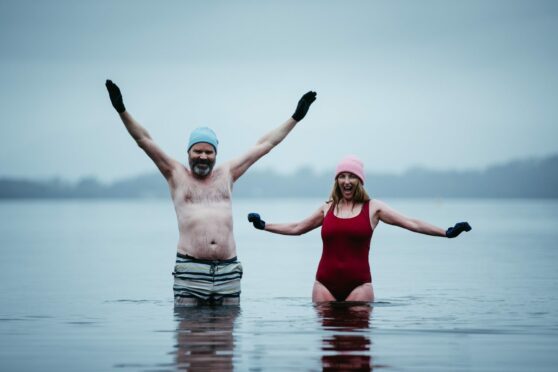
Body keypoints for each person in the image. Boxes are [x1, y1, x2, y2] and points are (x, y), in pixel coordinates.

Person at [105, 79, 317, 306]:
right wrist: (121, 110)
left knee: (227, 337)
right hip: (191, 269)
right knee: (190, 335)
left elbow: (265, 144)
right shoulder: (175, 174)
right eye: (198, 151)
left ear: (215, 154)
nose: (203, 156)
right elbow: (144, 140)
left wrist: (295, 117)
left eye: (209, 152)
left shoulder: (227, 174)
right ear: (189, 152)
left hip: (228, 269)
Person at [247, 155, 471, 303]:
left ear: (359, 181)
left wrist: (446, 232)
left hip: (359, 286)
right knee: (328, 356)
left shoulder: (374, 208)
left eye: (351, 176)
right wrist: (264, 225)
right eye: (342, 176)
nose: (346, 180)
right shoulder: (327, 209)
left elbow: (411, 223)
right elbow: (297, 227)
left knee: (359, 357)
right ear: (337, 181)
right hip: (324, 285)